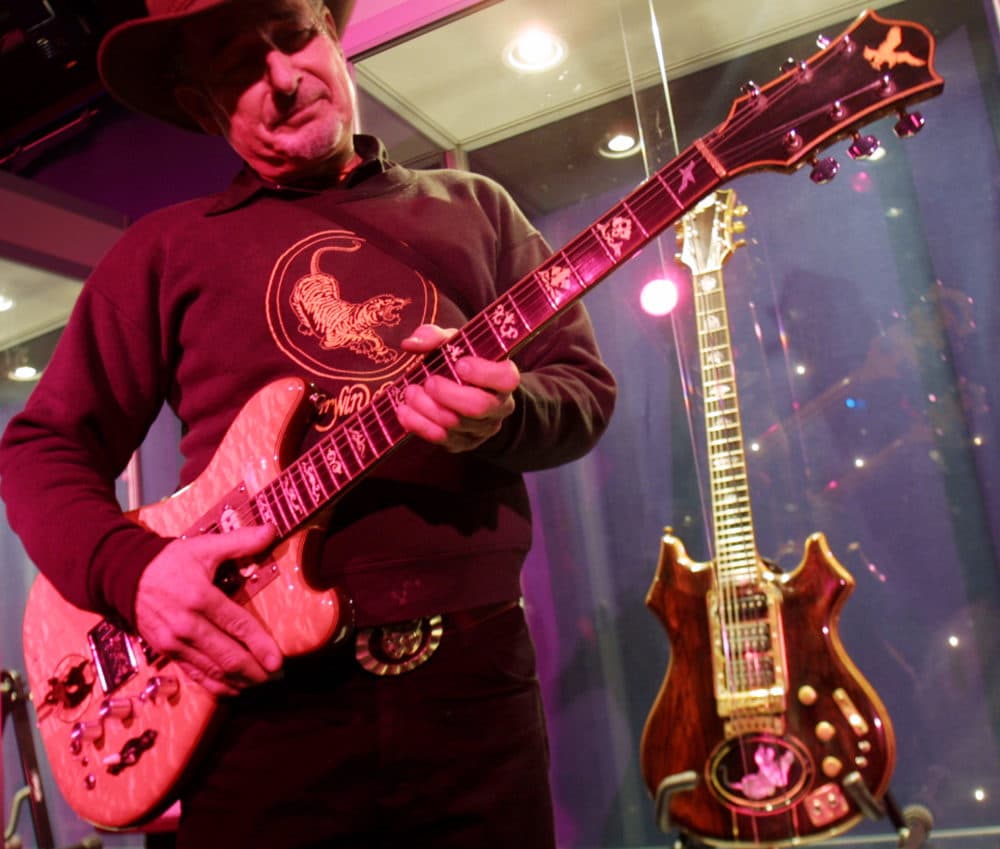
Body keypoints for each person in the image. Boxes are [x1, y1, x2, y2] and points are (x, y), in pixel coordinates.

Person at [0, 0, 616, 847]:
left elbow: (582, 391)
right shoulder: (164, 249)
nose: (283, 79)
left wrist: (507, 415)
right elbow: (43, 447)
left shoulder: (475, 207)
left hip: (475, 695)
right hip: (260, 709)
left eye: (294, 37)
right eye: (238, 69)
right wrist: (133, 572)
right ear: (202, 103)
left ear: (334, 39)